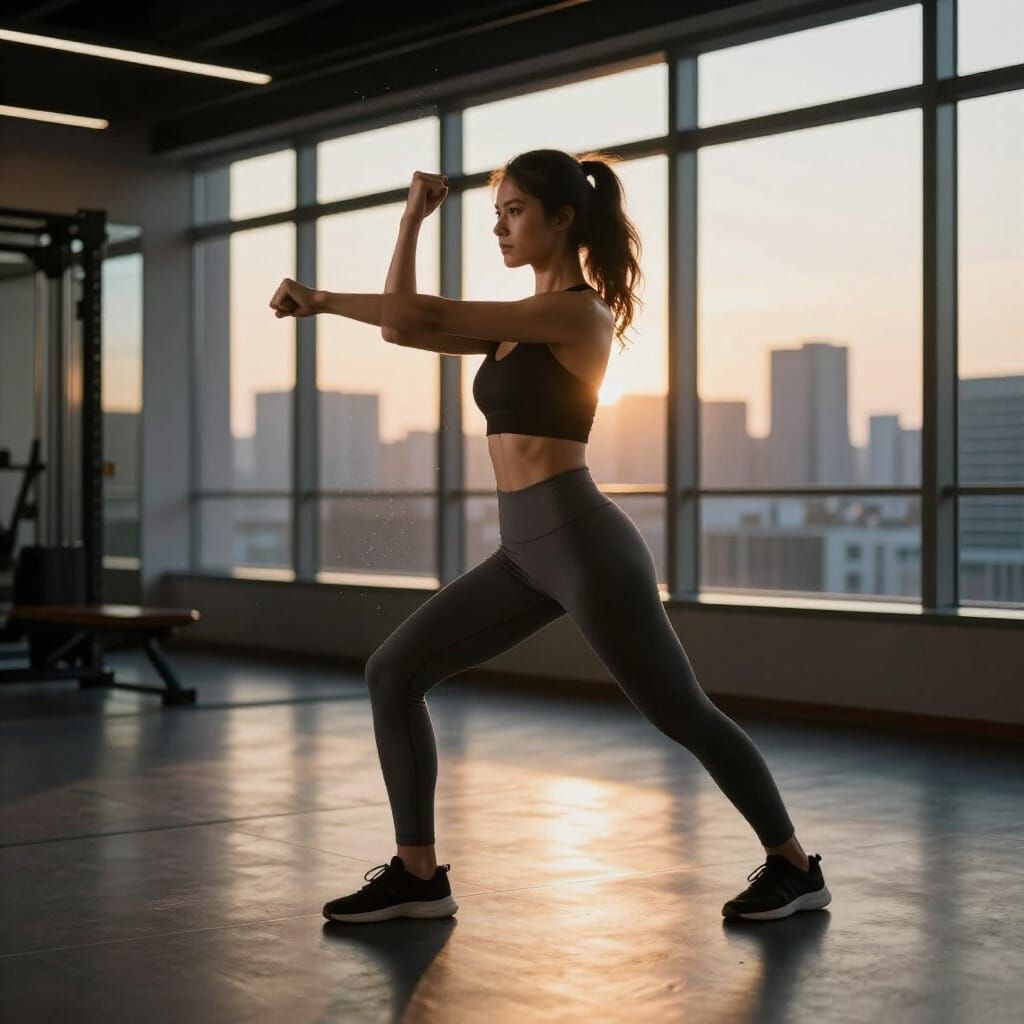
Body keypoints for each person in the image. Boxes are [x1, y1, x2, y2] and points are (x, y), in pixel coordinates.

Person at [269, 149, 832, 925]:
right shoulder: (511, 325)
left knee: (681, 712)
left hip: (584, 544)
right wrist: (358, 267)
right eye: (496, 213)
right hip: (522, 552)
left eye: (514, 211)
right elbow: (405, 330)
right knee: (392, 671)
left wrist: (372, 253)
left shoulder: (574, 312)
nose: (499, 227)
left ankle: (794, 867)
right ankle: (417, 875)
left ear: (562, 218)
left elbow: (410, 315)